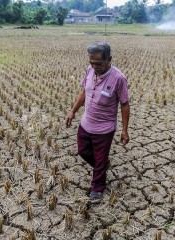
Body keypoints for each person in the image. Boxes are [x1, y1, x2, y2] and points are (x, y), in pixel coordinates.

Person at [66, 41, 130, 204]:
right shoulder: (89, 71)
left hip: (104, 129)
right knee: (83, 151)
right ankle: (102, 166)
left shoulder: (118, 78)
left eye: (98, 63)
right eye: (91, 62)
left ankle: (97, 188)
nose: (94, 66)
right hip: (86, 123)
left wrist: (124, 130)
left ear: (109, 59)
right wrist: (73, 111)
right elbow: (84, 92)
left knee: (100, 160)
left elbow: (124, 104)